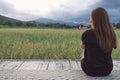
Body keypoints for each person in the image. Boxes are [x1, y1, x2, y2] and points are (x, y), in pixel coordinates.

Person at [80, 7, 117, 77]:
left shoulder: (87, 34)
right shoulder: (112, 33)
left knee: (84, 46)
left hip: (90, 70)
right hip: (107, 70)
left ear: (94, 20)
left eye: (91, 18)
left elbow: (82, 46)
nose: (90, 20)